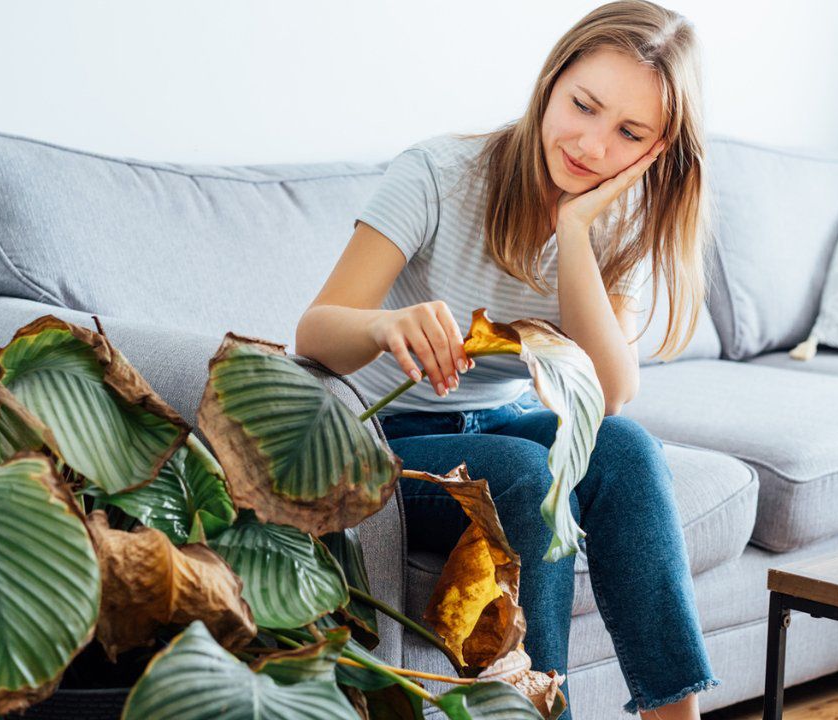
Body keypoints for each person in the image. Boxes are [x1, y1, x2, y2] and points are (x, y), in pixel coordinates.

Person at [295, 2, 715, 717]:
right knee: (524, 478)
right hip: (376, 439)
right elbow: (314, 331)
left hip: (491, 427)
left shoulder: (614, 218)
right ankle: (539, 709)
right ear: (551, 82)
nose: (590, 144)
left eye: (628, 133)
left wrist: (574, 231)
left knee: (626, 449)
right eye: (582, 106)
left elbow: (609, 394)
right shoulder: (437, 173)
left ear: (656, 148)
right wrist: (385, 325)